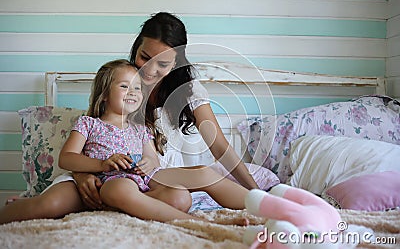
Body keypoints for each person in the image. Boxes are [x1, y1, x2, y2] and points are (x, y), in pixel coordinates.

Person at [0, 59, 249, 225]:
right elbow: (67, 158)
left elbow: (151, 157)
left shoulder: (141, 129)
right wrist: (102, 165)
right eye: (124, 86)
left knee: (185, 194)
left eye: (138, 88)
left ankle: (263, 205)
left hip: (140, 182)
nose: (133, 92)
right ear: (105, 94)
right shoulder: (89, 123)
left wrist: (149, 162)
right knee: (50, 204)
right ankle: (198, 224)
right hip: (100, 183)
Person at [73, 12, 258, 210]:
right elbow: (90, 137)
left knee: (201, 177)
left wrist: (256, 190)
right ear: (136, 48)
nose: (150, 71)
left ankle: (265, 205)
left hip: (162, 178)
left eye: (162, 64)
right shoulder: (122, 81)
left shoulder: (189, 92)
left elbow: (220, 147)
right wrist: (81, 175)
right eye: (145, 57)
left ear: (176, 62)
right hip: (117, 179)